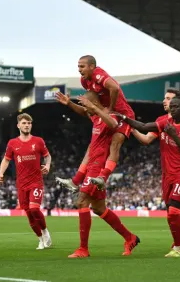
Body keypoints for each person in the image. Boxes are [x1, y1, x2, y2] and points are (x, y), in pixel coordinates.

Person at [117, 97, 180, 257]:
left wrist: (174, 135)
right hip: (167, 175)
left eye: (175, 107)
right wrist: (125, 118)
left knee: (174, 211)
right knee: (171, 213)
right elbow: (144, 126)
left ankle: (178, 248)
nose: (172, 109)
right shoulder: (165, 123)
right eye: (171, 106)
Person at [63, 90, 140, 258]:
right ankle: (130, 238)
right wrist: (69, 103)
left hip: (98, 167)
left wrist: (94, 108)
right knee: (99, 208)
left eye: (87, 106)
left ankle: (83, 249)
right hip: (92, 165)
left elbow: (113, 123)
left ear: (94, 104)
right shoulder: (94, 117)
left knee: (82, 202)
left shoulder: (106, 116)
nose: (85, 110)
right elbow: (86, 112)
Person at [131, 89, 180, 254]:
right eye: (164, 98)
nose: (164, 101)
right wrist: (131, 129)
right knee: (172, 211)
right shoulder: (161, 121)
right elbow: (147, 139)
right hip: (167, 172)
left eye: (168, 98)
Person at [55, 55, 134, 192]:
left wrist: (110, 108)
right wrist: (70, 103)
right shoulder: (85, 81)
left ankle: (103, 177)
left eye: (82, 66)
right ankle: (76, 181)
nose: (79, 69)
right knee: (92, 146)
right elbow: (87, 109)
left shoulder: (98, 75)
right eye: (78, 66)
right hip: (104, 113)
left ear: (92, 66)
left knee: (115, 143)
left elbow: (114, 88)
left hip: (123, 114)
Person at [0, 113, 53, 250]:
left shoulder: (38, 141)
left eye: (29, 123)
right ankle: (40, 239)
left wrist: (47, 166)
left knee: (34, 209)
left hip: (36, 181)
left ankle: (45, 231)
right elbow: (6, 160)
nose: (27, 125)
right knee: (29, 213)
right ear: (18, 125)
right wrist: (1, 173)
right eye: (24, 123)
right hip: (21, 184)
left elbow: (48, 156)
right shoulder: (12, 143)